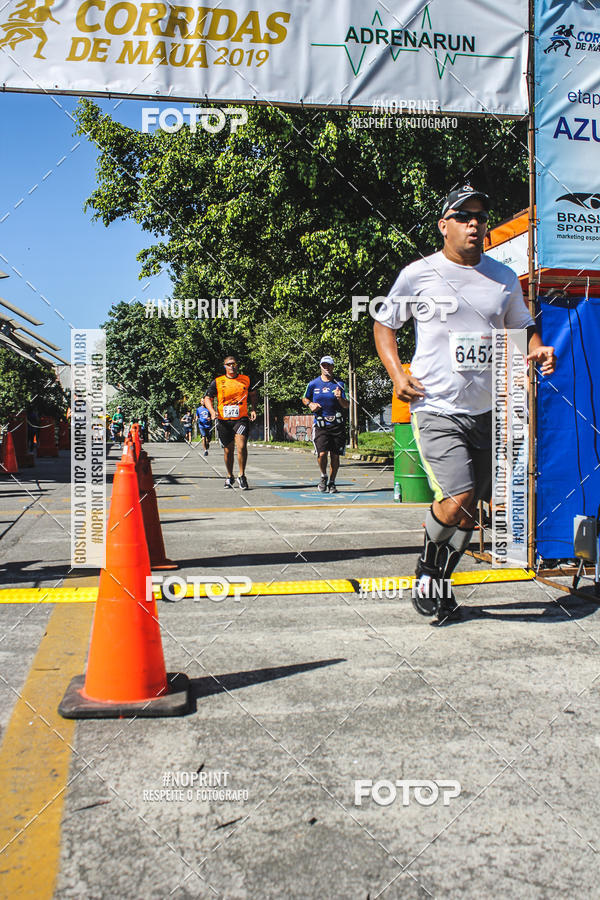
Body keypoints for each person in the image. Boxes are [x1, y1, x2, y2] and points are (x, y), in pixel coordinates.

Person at [373, 184, 556, 623]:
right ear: (444, 226)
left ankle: (440, 582)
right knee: (458, 497)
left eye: (480, 217)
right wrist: (398, 375)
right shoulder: (419, 274)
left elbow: (522, 326)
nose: (474, 224)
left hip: (489, 409)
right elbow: (384, 324)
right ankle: (427, 569)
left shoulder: (502, 277)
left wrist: (537, 349)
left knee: (473, 510)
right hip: (435, 405)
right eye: (463, 216)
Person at [204, 355, 258, 489]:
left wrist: (253, 409)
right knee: (228, 450)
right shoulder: (218, 381)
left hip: (241, 419)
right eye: (229, 364)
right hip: (224, 420)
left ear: (237, 365)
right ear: (225, 366)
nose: (231, 366)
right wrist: (212, 411)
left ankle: (242, 475)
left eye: (233, 363)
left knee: (241, 446)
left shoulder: (245, 379)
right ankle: (229, 476)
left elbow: (253, 394)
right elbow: (207, 398)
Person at [302, 356, 350, 493]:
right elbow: (304, 398)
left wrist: (340, 398)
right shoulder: (313, 384)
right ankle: (323, 476)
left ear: (333, 367)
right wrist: (310, 404)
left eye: (329, 365)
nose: (326, 368)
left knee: (335, 455)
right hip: (320, 424)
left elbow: (347, 405)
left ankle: (332, 482)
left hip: (337, 425)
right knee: (322, 453)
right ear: (320, 366)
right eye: (324, 365)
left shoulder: (340, 384)